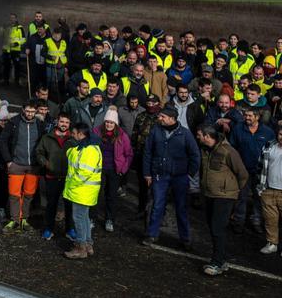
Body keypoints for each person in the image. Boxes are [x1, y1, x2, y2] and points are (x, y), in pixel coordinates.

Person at [143, 105, 201, 250]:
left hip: (179, 176)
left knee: (181, 208)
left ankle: (185, 238)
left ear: (172, 118)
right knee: (157, 205)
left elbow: (195, 155)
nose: (159, 118)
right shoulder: (155, 131)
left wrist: (189, 173)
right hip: (160, 174)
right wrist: (147, 173)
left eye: (163, 116)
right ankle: (152, 234)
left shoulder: (185, 134)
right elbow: (148, 152)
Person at [198, 125, 249, 276]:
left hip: (225, 196)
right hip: (210, 194)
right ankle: (221, 258)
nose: (197, 137)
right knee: (213, 227)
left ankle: (217, 262)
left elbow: (243, 174)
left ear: (207, 136)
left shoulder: (228, 151)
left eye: (199, 134)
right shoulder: (205, 149)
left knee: (217, 228)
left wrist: (234, 191)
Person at [231, 108, 274, 233]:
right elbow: (232, 148)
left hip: (261, 172)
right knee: (241, 196)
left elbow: (272, 150)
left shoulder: (268, 132)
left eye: (250, 116)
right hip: (243, 170)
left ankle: (256, 221)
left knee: (258, 197)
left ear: (257, 117)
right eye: (245, 115)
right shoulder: (238, 129)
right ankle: (238, 222)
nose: (247, 118)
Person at [0, 102, 41, 231]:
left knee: (29, 194)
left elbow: (44, 143)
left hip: (33, 166)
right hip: (16, 164)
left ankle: (24, 219)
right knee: (14, 194)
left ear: (36, 111)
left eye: (32, 111)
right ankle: (14, 219)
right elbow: (2, 141)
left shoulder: (40, 124)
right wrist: (8, 160)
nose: (30, 114)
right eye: (28, 111)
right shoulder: (14, 122)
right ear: (23, 109)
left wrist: (40, 160)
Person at [64, 121, 103, 259]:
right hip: (85, 190)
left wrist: (72, 185)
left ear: (81, 134)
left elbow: (84, 173)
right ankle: (87, 244)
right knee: (84, 217)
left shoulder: (88, 150)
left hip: (81, 190)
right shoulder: (86, 147)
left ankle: (80, 247)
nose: (72, 135)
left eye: (74, 133)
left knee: (79, 218)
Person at [92, 107, 132, 232]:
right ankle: (92, 218)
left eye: (112, 123)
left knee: (111, 196)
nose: (109, 125)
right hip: (98, 169)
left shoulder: (122, 135)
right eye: (107, 122)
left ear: (116, 124)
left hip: (114, 169)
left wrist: (123, 169)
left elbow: (129, 154)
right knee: (95, 194)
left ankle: (109, 219)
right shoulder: (96, 132)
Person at [36, 114, 75, 240]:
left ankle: (70, 229)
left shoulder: (73, 139)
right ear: (57, 122)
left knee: (69, 205)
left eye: (67, 122)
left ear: (69, 124)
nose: (64, 124)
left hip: (68, 178)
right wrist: (46, 163)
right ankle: (49, 229)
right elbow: (39, 152)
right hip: (51, 176)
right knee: (51, 204)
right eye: (62, 121)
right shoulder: (47, 137)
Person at [257, 130, 282, 255]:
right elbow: (260, 166)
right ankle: (272, 243)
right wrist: (261, 187)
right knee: (270, 220)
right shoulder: (268, 146)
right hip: (268, 189)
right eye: (281, 134)